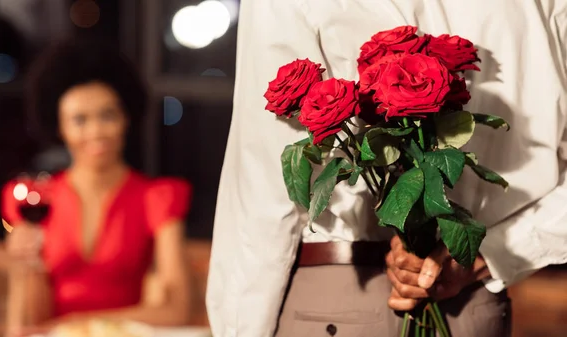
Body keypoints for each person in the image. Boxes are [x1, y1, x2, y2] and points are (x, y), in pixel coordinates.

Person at [206, 1, 567, 336]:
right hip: (472, 308)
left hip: (339, 305)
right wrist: (486, 257)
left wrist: (237, 327)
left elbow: (263, 191)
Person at [2, 39, 193, 336]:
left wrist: (77, 324)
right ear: (59, 127)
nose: (96, 131)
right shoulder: (34, 197)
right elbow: (27, 324)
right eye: (79, 120)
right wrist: (23, 267)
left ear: (126, 118)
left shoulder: (157, 196)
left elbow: (177, 310)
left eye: (107, 115)